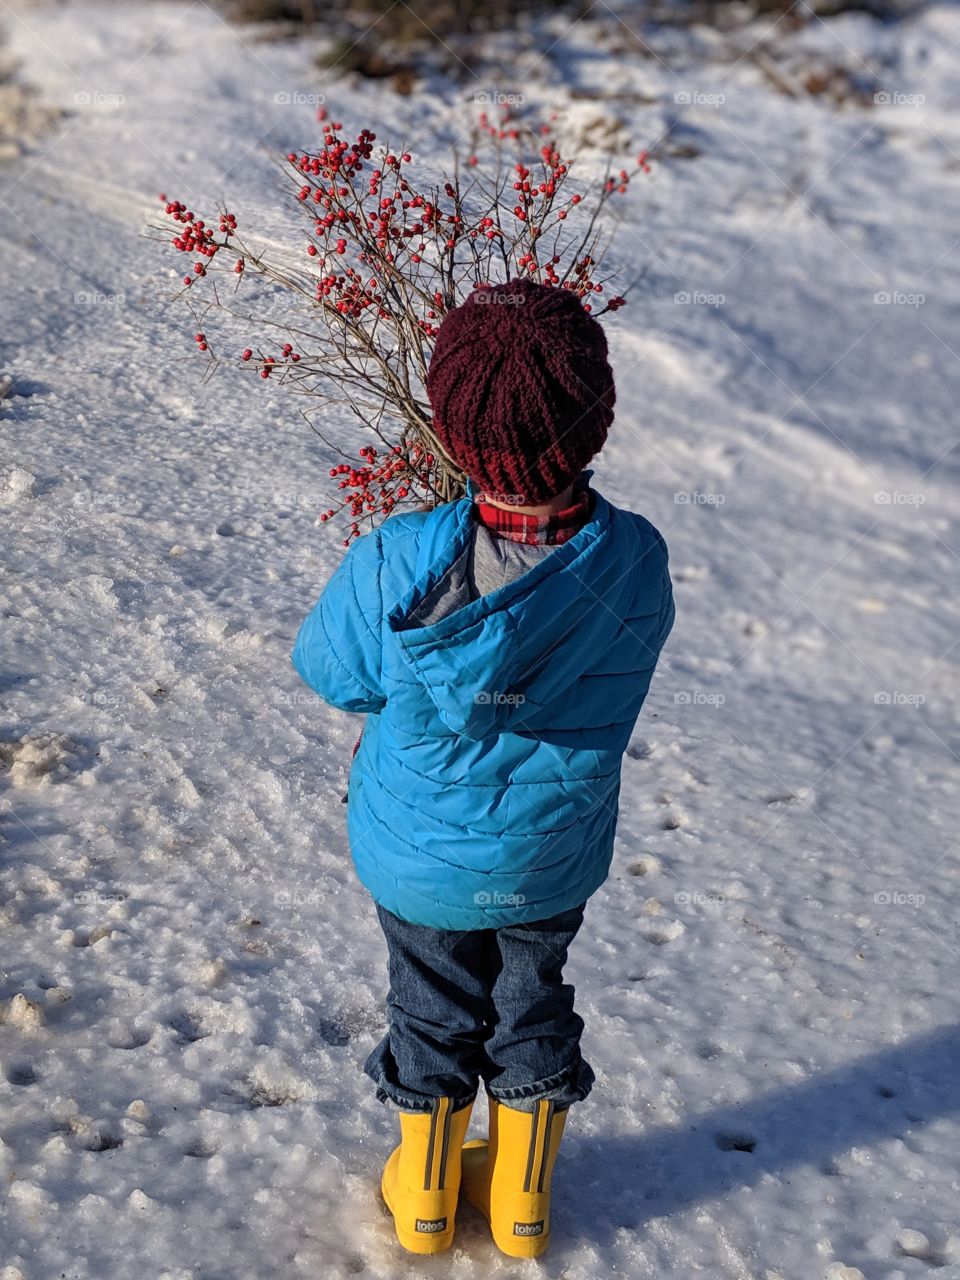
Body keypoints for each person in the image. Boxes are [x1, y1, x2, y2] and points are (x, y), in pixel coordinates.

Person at [292, 276, 675, 1257]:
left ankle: (423, 1196)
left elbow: (330, 669)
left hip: (421, 849)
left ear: (455, 429)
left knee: (431, 996)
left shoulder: (401, 559)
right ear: (597, 419)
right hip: (551, 848)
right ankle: (521, 1199)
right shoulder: (634, 557)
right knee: (529, 994)